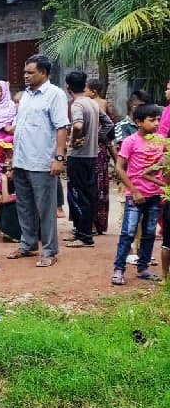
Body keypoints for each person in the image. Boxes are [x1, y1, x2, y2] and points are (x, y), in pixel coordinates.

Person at [8, 54, 70, 267]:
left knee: (46, 208)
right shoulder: (26, 95)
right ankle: (28, 244)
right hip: (22, 160)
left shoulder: (55, 95)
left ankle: (50, 250)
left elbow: (62, 127)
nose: (25, 75)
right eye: (25, 72)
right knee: (24, 206)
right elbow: (19, 128)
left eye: (30, 72)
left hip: (42, 161)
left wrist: (59, 158)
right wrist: (12, 159)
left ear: (43, 73)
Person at [112, 103, 165, 284]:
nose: (156, 123)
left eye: (158, 119)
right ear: (139, 122)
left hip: (155, 195)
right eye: (152, 120)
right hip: (135, 196)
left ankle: (143, 268)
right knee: (128, 232)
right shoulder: (130, 141)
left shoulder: (160, 140)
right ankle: (119, 269)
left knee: (149, 233)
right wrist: (133, 190)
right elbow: (119, 168)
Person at [64, 71, 102, 248]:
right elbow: (108, 123)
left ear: (68, 86)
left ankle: (84, 235)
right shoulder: (92, 103)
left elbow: (77, 125)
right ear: (85, 84)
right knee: (89, 194)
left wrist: (75, 139)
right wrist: (94, 137)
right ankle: (82, 232)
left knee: (77, 195)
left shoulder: (77, 104)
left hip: (78, 156)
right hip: (92, 155)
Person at [85, 78, 116, 235]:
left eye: (86, 89)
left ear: (93, 91)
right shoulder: (102, 103)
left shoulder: (97, 103)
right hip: (101, 147)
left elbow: (109, 124)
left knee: (93, 183)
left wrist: (96, 136)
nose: (84, 91)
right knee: (100, 183)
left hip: (95, 147)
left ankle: (90, 222)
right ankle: (99, 223)